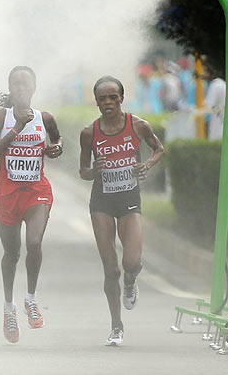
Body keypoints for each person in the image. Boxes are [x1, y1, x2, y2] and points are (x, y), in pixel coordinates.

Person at [78, 75, 163, 346]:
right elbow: (83, 172)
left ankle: (131, 282)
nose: (107, 103)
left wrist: (147, 164)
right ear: (96, 102)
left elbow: (159, 149)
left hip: (129, 199)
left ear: (121, 99)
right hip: (101, 201)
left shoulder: (138, 125)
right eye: (102, 99)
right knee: (111, 268)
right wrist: (95, 171)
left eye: (112, 97)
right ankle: (116, 326)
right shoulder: (89, 133)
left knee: (131, 262)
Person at [0, 66, 63, 343]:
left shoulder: (45, 117)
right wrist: (16, 129)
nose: (20, 88)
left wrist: (56, 148)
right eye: (15, 83)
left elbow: (57, 140)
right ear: (10, 88)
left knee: (35, 243)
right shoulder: (0, 117)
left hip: (36, 192)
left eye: (25, 83)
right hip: (7, 194)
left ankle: (30, 298)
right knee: (12, 254)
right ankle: (9, 308)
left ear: (34, 88)